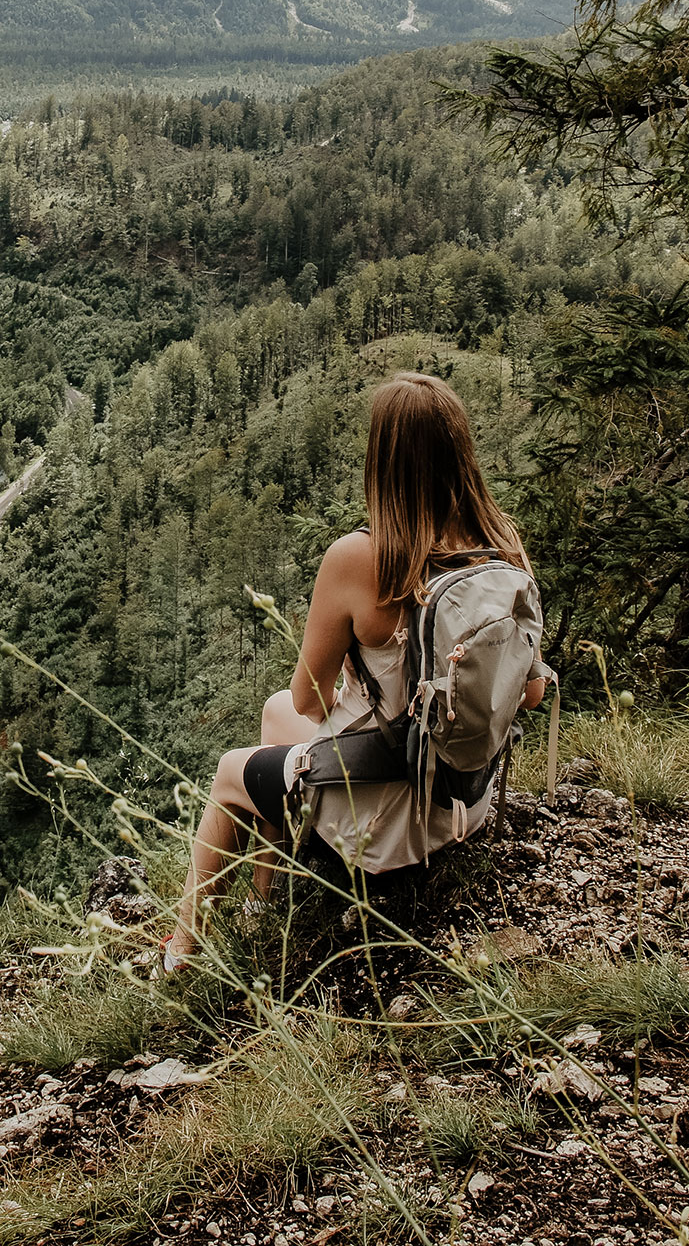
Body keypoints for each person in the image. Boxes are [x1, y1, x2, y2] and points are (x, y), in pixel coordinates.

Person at [163, 372, 549, 971]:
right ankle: (267, 909)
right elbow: (529, 695)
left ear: (383, 461)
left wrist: (356, 667)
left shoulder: (359, 557)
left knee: (229, 773)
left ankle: (182, 950)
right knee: (271, 715)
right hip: (464, 801)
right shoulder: (502, 549)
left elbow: (310, 703)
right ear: (461, 456)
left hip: (390, 818)